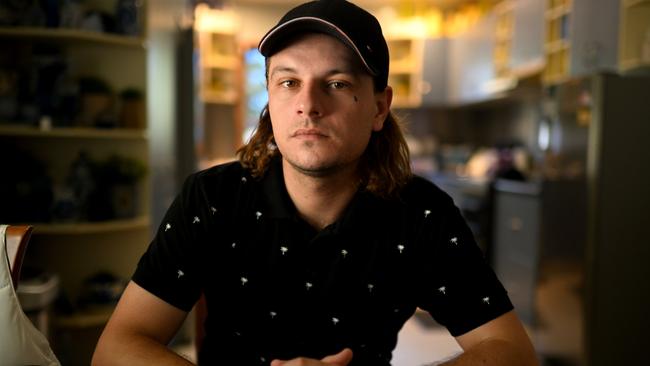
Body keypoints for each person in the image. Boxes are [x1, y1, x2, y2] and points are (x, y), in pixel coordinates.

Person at [92, 1, 538, 365]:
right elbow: (117, 347)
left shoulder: (421, 214)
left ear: (380, 108)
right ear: (269, 97)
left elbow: (512, 351)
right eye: (288, 82)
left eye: (337, 83)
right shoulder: (212, 199)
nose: (308, 104)